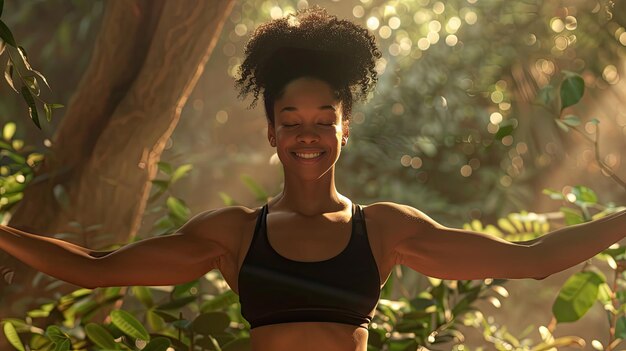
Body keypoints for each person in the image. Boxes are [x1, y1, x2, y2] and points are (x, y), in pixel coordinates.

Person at [1, 6, 625, 351]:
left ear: (345, 129)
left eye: (323, 120)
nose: (307, 134)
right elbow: (96, 267)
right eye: (290, 121)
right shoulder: (233, 235)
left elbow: (534, 259)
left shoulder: (384, 230)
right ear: (271, 133)